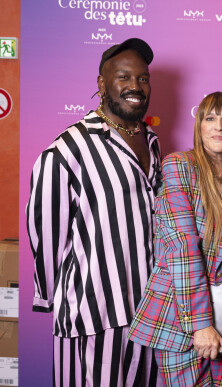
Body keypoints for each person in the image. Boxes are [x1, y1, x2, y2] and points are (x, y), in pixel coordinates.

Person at [26, 38, 163, 385]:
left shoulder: (152, 142)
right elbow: (46, 235)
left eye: (143, 78)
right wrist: (54, 298)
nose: (135, 85)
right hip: (93, 318)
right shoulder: (66, 151)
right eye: (124, 77)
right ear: (102, 84)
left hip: (150, 315)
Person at [128, 92, 222, 386]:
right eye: (210, 118)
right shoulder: (179, 166)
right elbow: (182, 247)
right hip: (180, 316)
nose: (218, 127)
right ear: (199, 126)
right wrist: (200, 325)